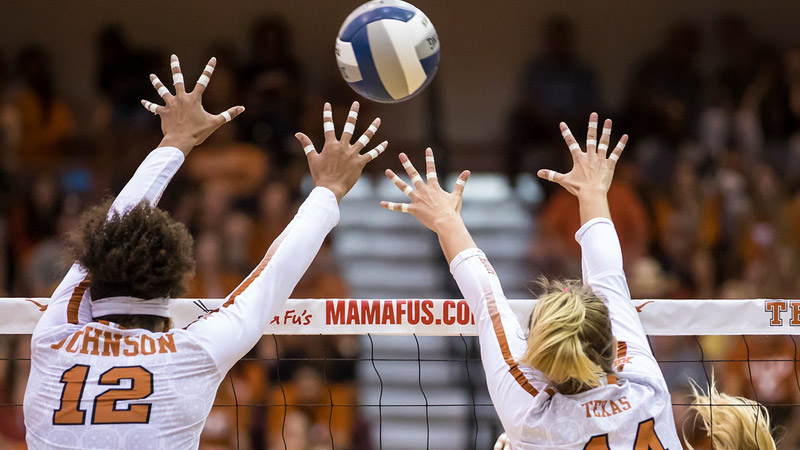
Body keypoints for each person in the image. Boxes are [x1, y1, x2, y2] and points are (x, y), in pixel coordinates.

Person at [23, 53, 387, 449]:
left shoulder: (53, 337)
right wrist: (329, 189)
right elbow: (272, 276)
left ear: (96, 262)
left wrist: (174, 141)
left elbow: (111, 228)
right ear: (174, 282)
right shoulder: (191, 353)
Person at [380, 114, 776, 448]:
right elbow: (606, 279)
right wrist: (594, 192)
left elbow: (487, 296)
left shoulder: (531, 414)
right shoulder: (645, 389)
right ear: (611, 347)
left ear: (537, 353)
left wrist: (446, 221)